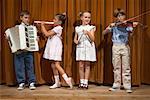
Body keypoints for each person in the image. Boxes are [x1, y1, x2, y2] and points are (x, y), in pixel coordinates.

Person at [103, 8, 138, 93]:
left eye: (122, 15)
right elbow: (104, 33)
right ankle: (116, 85)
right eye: (118, 16)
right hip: (115, 46)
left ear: (124, 16)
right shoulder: (114, 25)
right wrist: (109, 27)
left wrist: (133, 27)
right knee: (116, 66)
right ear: (116, 17)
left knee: (126, 67)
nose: (120, 17)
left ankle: (127, 86)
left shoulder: (127, 25)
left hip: (125, 46)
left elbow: (132, 35)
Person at [40, 13, 73, 89]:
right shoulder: (55, 28)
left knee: (57, 65)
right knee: (53, 65)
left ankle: (67, 79)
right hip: (52, 47)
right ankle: (57, 82)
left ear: (60, 22)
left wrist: (42, 26)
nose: (53, 20)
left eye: (55, 19)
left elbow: (47, 34)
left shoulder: (58, 28)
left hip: (56, 48)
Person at [10, 10, 37, 90]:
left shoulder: (31, 28)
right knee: (19, 66)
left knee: (30, 66)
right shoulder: (16, 27)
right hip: (19, 51)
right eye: (25, 18)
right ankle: (21, 82)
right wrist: (8, 37)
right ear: (21, 18)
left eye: (28, 18)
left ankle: (31, 82)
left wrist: (35, 40)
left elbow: (34, 38)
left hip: (28, 50)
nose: (27, 20)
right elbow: (11, 36)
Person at [74, 11, 96, 89]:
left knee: (87, 65)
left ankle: (86, 82)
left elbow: (93, 39)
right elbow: (75, 39)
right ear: (81, 18)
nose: (87, 19)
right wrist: (77, 42)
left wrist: (88, 33)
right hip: (80, 47)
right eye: (85, 17)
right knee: (80, 65)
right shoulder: (77, 28)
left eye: (89, 17)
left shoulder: (91, 28)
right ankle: (81, 82)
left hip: (88, 47)